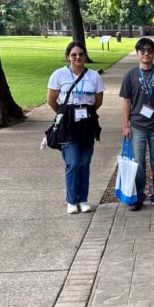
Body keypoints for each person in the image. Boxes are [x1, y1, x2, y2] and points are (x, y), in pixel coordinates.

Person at [47, 41, 104, 213]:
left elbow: (98, 101)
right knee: (73, 162)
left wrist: (84, 113)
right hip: (68, 124)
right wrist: (67, 114)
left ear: (85, 56)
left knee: (84, 162)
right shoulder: (59, 75)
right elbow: (51, 101)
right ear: (68, 57)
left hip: (87, 123)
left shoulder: (94, 76)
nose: (78, 57)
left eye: (81, 54)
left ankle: (83, 199)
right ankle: (71, 200)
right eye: (74, 54)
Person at [119, 38, 154, 211]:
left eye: (150, 51)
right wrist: (126, 125)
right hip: (137, 126)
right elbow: (126, 102)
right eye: (142, 51)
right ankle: (139, 197)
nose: (146, 54)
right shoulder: (130, 75)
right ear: (137, 54)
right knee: (139, 164)